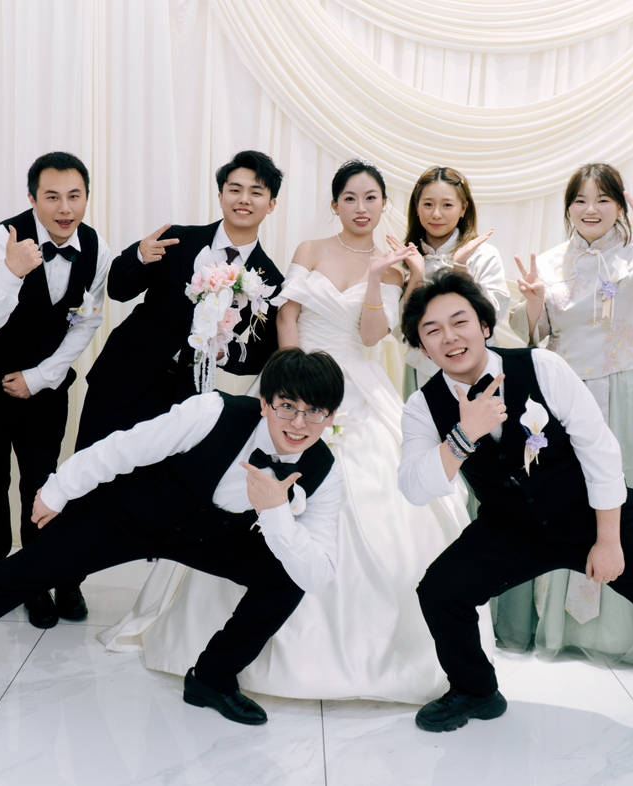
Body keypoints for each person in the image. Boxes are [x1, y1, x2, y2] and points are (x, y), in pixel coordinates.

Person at [101, 160, 493, 704]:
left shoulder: (396, 265)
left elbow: (372, 335)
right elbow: (286, 316)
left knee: (372, 498)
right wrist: (291, 383)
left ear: (384, 205)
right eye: (350, 198)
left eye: (371, 198)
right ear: (335, 204)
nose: (361, 207)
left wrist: (379, 277)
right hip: (293, 380)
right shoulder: (310, 249)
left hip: (354, 385)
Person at [395, 271, 633, 755]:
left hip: (594, 515)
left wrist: (608, 539)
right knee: (440, 591)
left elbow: (599, 450)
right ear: (422, 346)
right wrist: (463, 435)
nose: (450, 337)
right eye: (433, 330)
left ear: (485, 326)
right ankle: (476, 691)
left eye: (460, 322)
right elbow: (414, 488)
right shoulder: (423, 406)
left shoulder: (541, 366)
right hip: (512, 526)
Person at [0, 349, 345, 726]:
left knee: (286, 579)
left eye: (314, 412)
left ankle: (212, 678)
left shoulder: (326, 471)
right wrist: (58, 489)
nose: (298, 424)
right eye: (287, 406)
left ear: (331, 417)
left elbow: (318, 573)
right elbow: (125, 447)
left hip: (209, 537)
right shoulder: (213, 411)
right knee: (24, 572)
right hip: (129, 515)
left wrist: (277, 514)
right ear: (265, 402)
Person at [501, 163, 633, 663]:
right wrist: (533, 304)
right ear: (568, 207)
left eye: (602, 199)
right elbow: (533, 337)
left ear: (619, 206)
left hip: (624, 393)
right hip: (561, 397)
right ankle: (558, 624)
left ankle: (618, 630)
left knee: (622, 501)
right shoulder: (549, 262)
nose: (590, 209)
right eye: (580, 200)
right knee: (562, 501)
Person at [0, 152, 110, 629]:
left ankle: (40, 576)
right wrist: (12, 270)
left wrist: (39, 377)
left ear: (86, 198)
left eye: (74, 196)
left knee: (44, 483)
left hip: (44, 384)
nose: (65, 208)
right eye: (52, 197)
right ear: (32, 198)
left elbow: (87, 323)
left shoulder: (96, 249)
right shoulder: (3, 238)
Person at [74, 150, 284, 449]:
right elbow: (118, 290)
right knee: (90, 470)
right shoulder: (177, 239)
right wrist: (139, 256)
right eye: (235, 189)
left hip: (185, 400)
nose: (244, 199)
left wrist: (223, 353)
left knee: (155, 478)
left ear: (272, 204)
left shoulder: (269, 280)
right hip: (124, 378)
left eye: (256, 192)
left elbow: (263, 354)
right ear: (221, 196)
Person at [393, 165, 509, 395]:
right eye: (428, 204)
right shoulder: (403, 259)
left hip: (477, 370)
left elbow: (490, 318)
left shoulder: (484, 255)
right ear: (416, 207)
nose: (436, 214)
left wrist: (461, 267)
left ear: (463, 208)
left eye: (447, 205)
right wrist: (416, 275)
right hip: (423, 371)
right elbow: (401, 331)